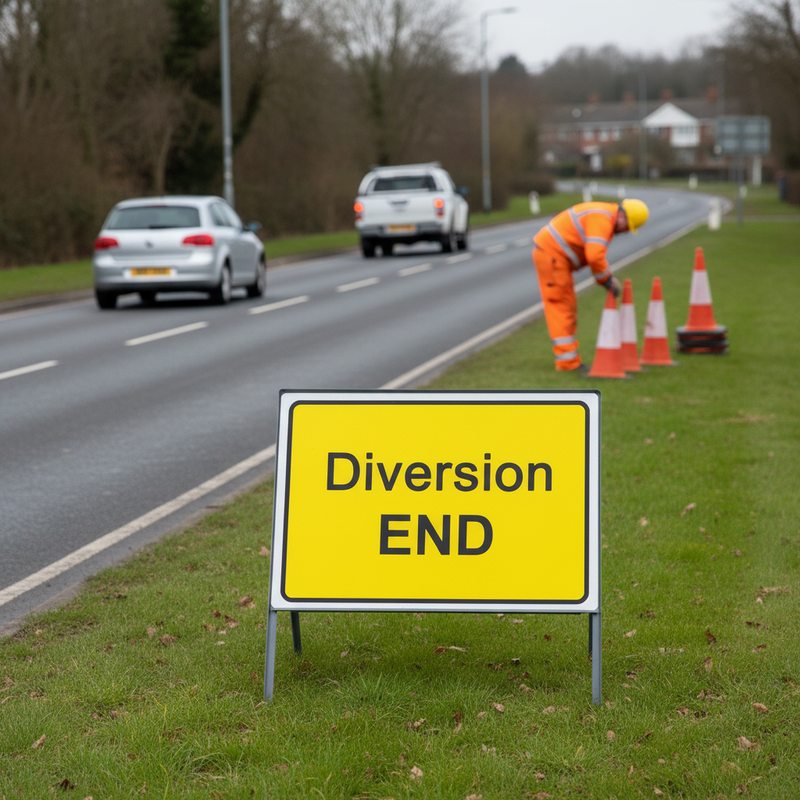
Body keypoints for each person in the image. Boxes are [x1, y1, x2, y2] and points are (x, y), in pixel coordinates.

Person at [532, 198, 649, 372]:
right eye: (628, 227)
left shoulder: (603, 214)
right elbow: (594, 256)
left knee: (567, 306)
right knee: (561, 306)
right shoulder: (603, 219)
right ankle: (567, 362)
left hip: (553, 256)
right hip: (553, 257)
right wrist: (607, 280)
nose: (625, 232)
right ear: (622, 217)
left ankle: (569, 359)